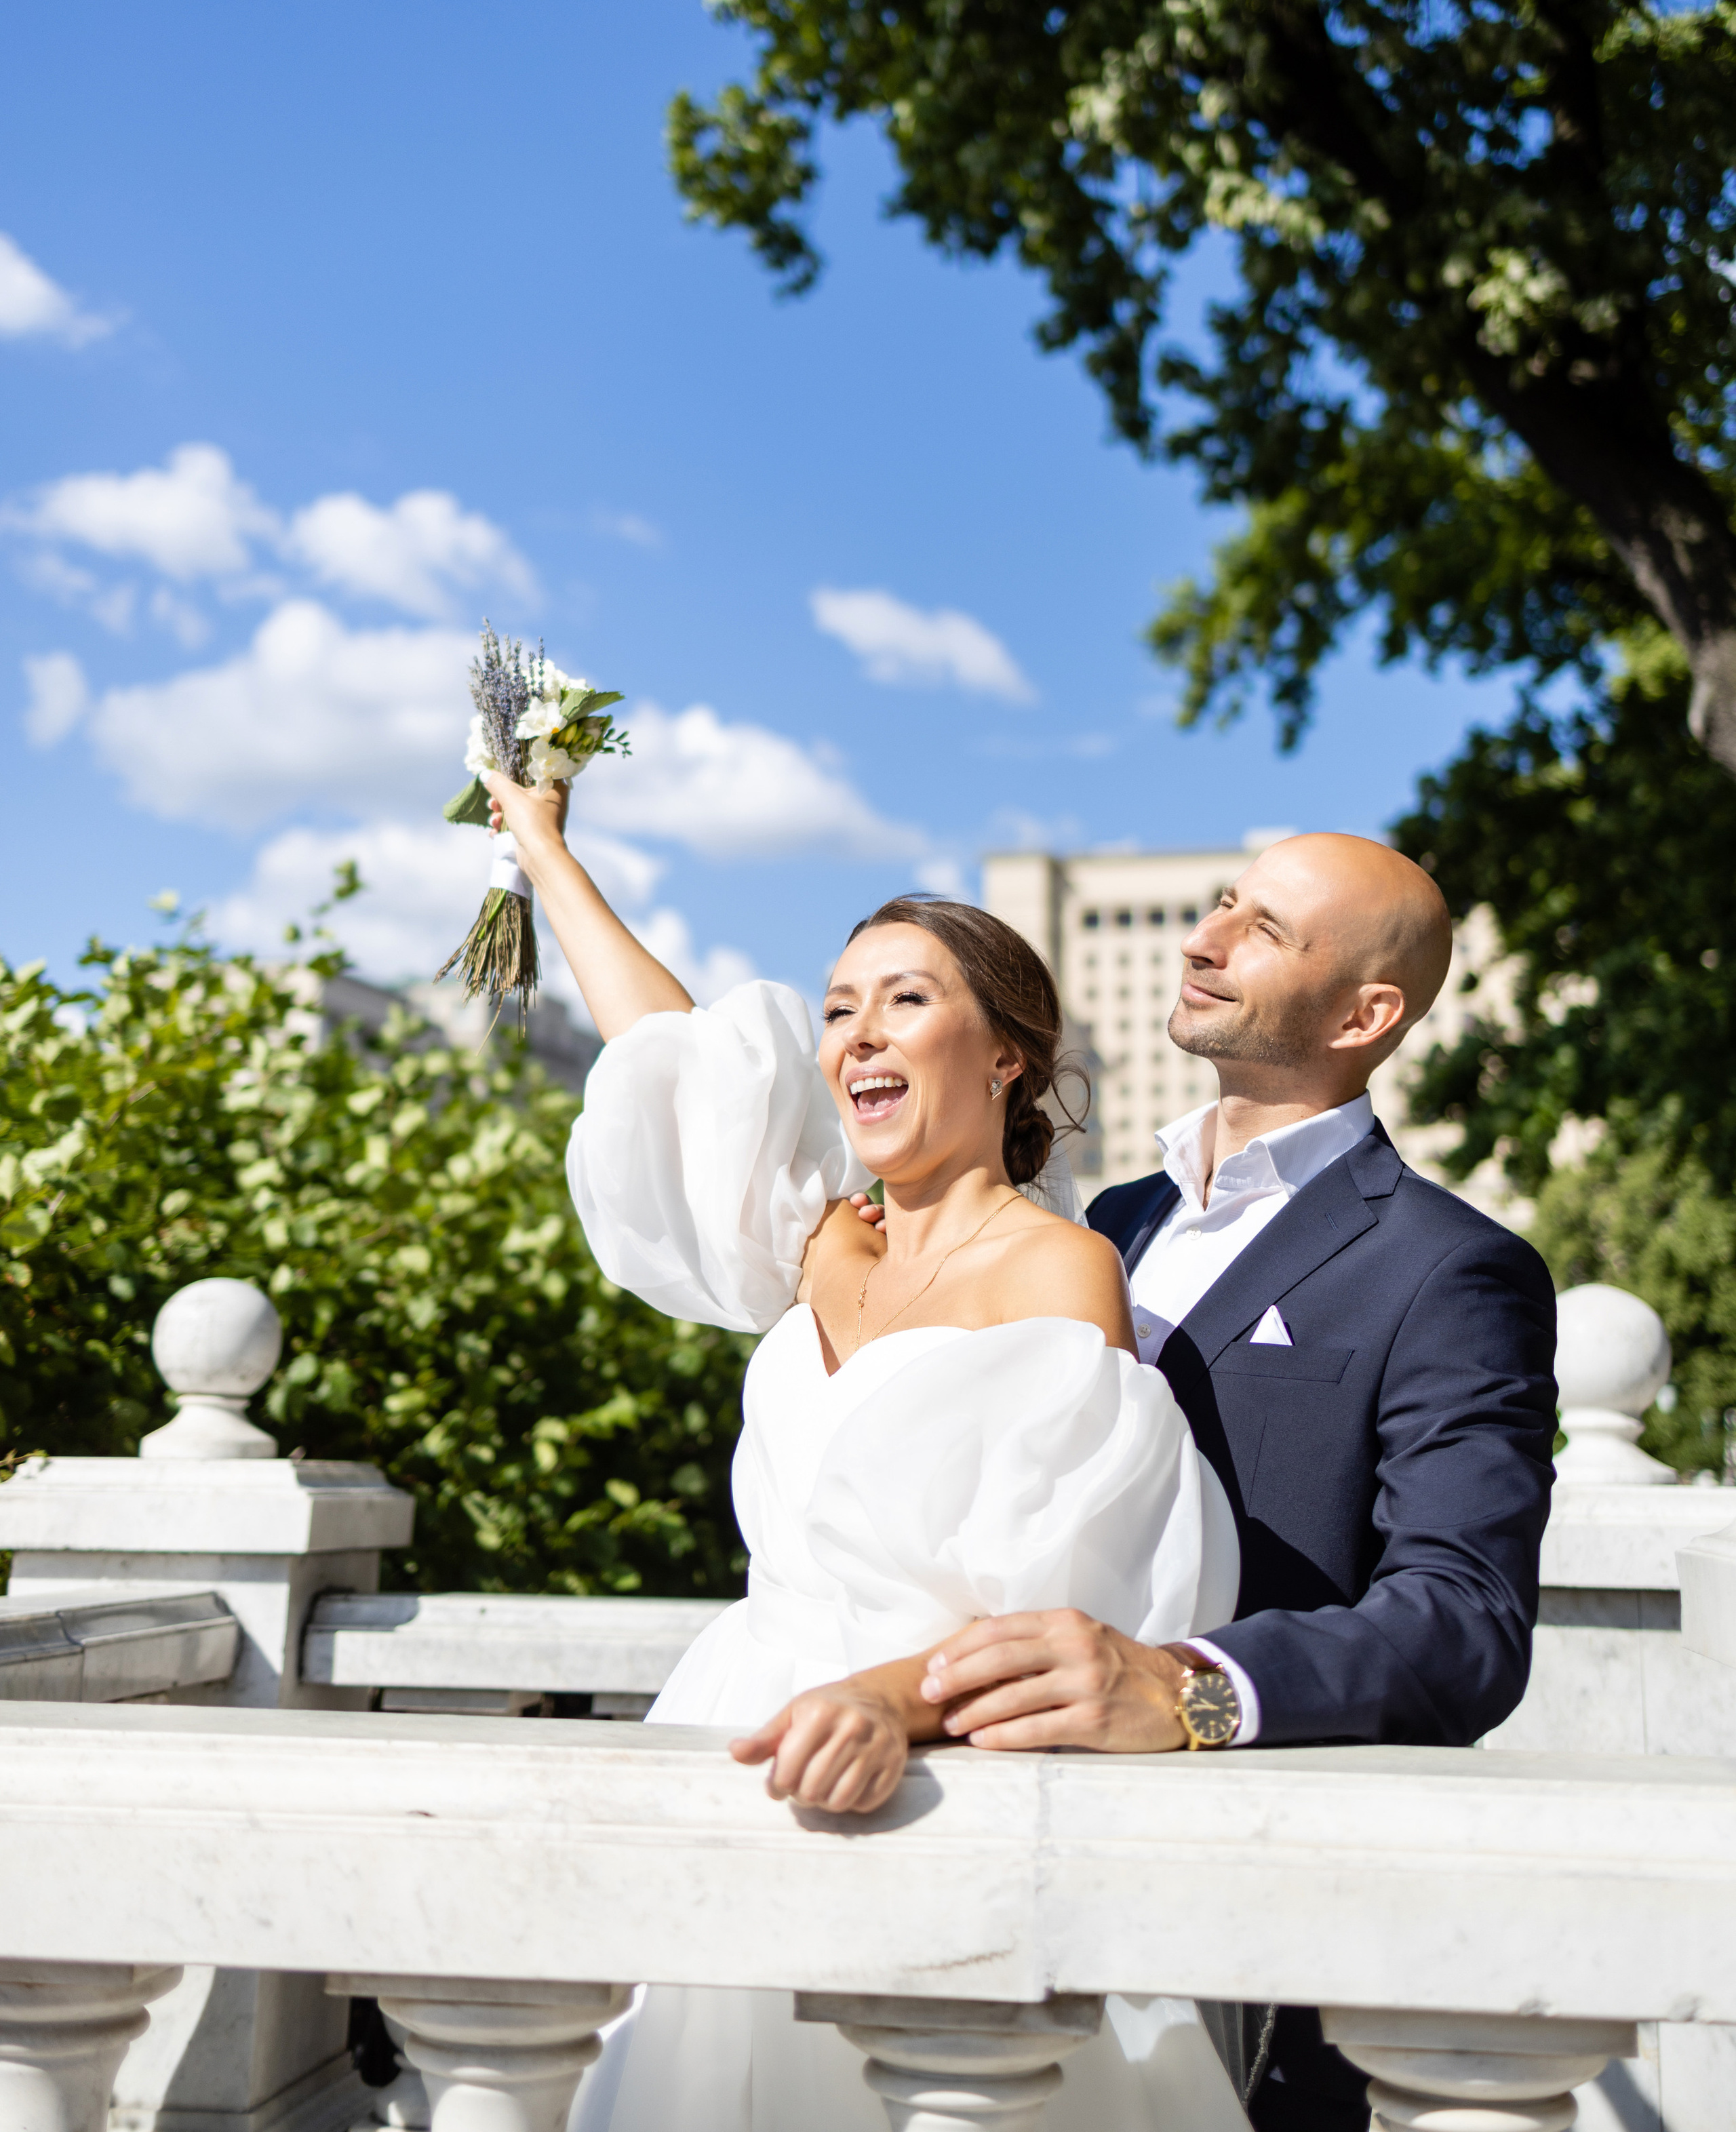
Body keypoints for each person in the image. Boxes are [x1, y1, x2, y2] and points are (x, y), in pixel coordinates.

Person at [480, 762, 1252, 2132]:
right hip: (736, 1737)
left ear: (1007, 1052)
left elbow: (1068, 1605)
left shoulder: (1061, 1274)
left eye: (905, 999)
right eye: (838, 1008)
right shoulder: (822, 1240)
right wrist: (544, 850)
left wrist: (885, 1704)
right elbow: (677, 1065)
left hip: (927, 1763)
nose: (856, 1035)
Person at [917, 833, 1560, 2132]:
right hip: (990, 1873)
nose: (1203, 940)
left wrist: (1188, 1691)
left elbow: (1465, 1618)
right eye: (1217, 905)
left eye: (1262, 928)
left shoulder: (1451, 1270)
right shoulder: (1101, 1230)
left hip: (1241, 1927)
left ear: (1366, 1013)